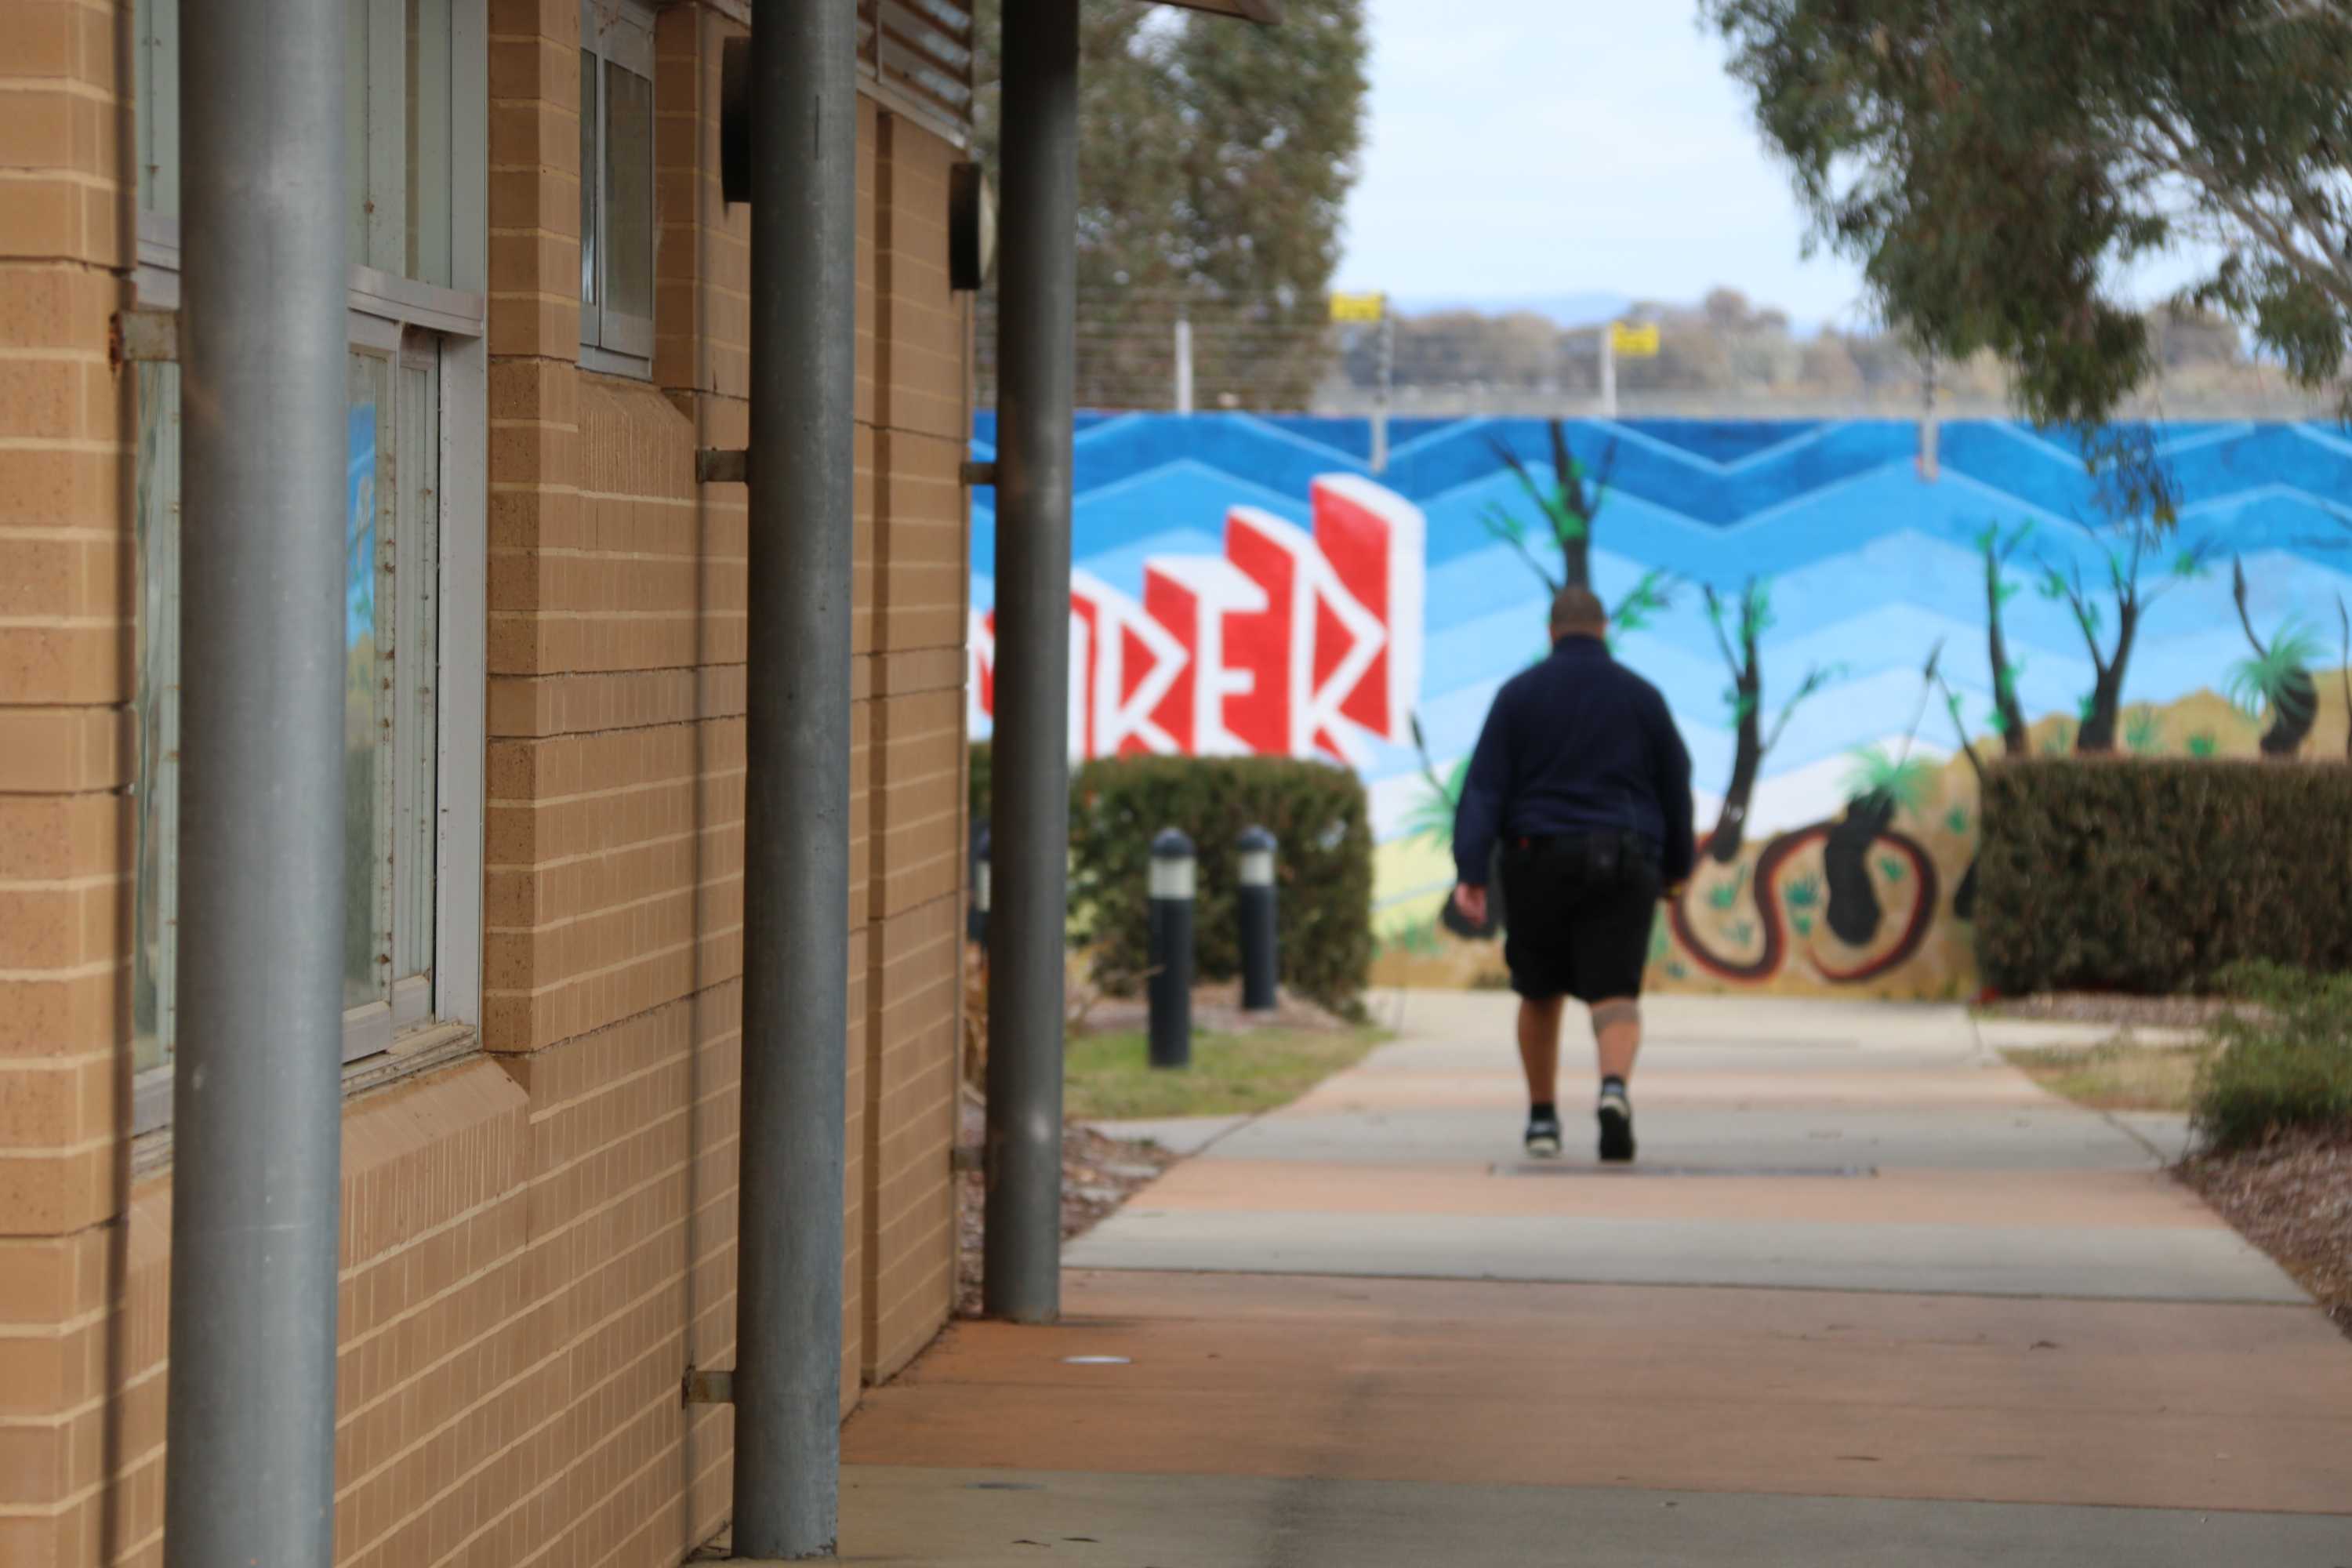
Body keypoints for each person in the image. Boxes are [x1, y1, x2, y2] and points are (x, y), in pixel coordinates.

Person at [1450, 586, 1695, 1162]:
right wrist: (1676, 868)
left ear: (1551, 631)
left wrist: (1471, 868)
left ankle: (1541, 1120)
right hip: (1625, 858)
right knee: (1615, 992)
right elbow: (1675, 786)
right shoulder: (1643, 697)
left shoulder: (1518, 695)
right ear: (1604, 628)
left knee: (1540, 992)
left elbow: (1484, 786)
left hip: (1537, 856)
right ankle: (1613, 1090)